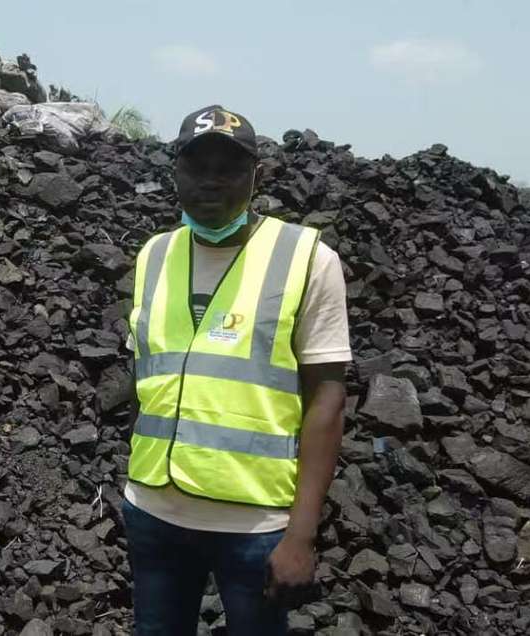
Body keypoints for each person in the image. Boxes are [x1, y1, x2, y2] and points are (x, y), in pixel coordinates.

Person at [122, 106, 351, 635]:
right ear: (175, 172)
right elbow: (144, 375)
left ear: (256, 176)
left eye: (229, 168)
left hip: (255, 526)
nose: (211, 181)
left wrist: (301, 536)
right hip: (154, 514)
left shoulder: (307, 259)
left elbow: (328, 400)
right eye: (197, 166)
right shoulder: (154, 254)